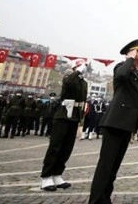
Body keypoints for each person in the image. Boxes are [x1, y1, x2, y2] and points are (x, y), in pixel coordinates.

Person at [89, 39, 138, 204]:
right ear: (131, 52)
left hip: (126, 124)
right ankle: (96, 200)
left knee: (114, 167)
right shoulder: (121, 67)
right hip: (115, 122)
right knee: (106, 165)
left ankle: (105, 198)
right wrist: (129, 58)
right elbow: (121, 75)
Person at [40, 59, 88, 191]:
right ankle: (46, 176)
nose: (83, 68)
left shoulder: (84, 83)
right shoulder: (69, 77)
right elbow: (68, 83)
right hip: (63, 115)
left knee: (67, 148)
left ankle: (57, 174)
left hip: (74, 116)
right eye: (80, 66)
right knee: (55, 146)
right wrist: (77, 71)